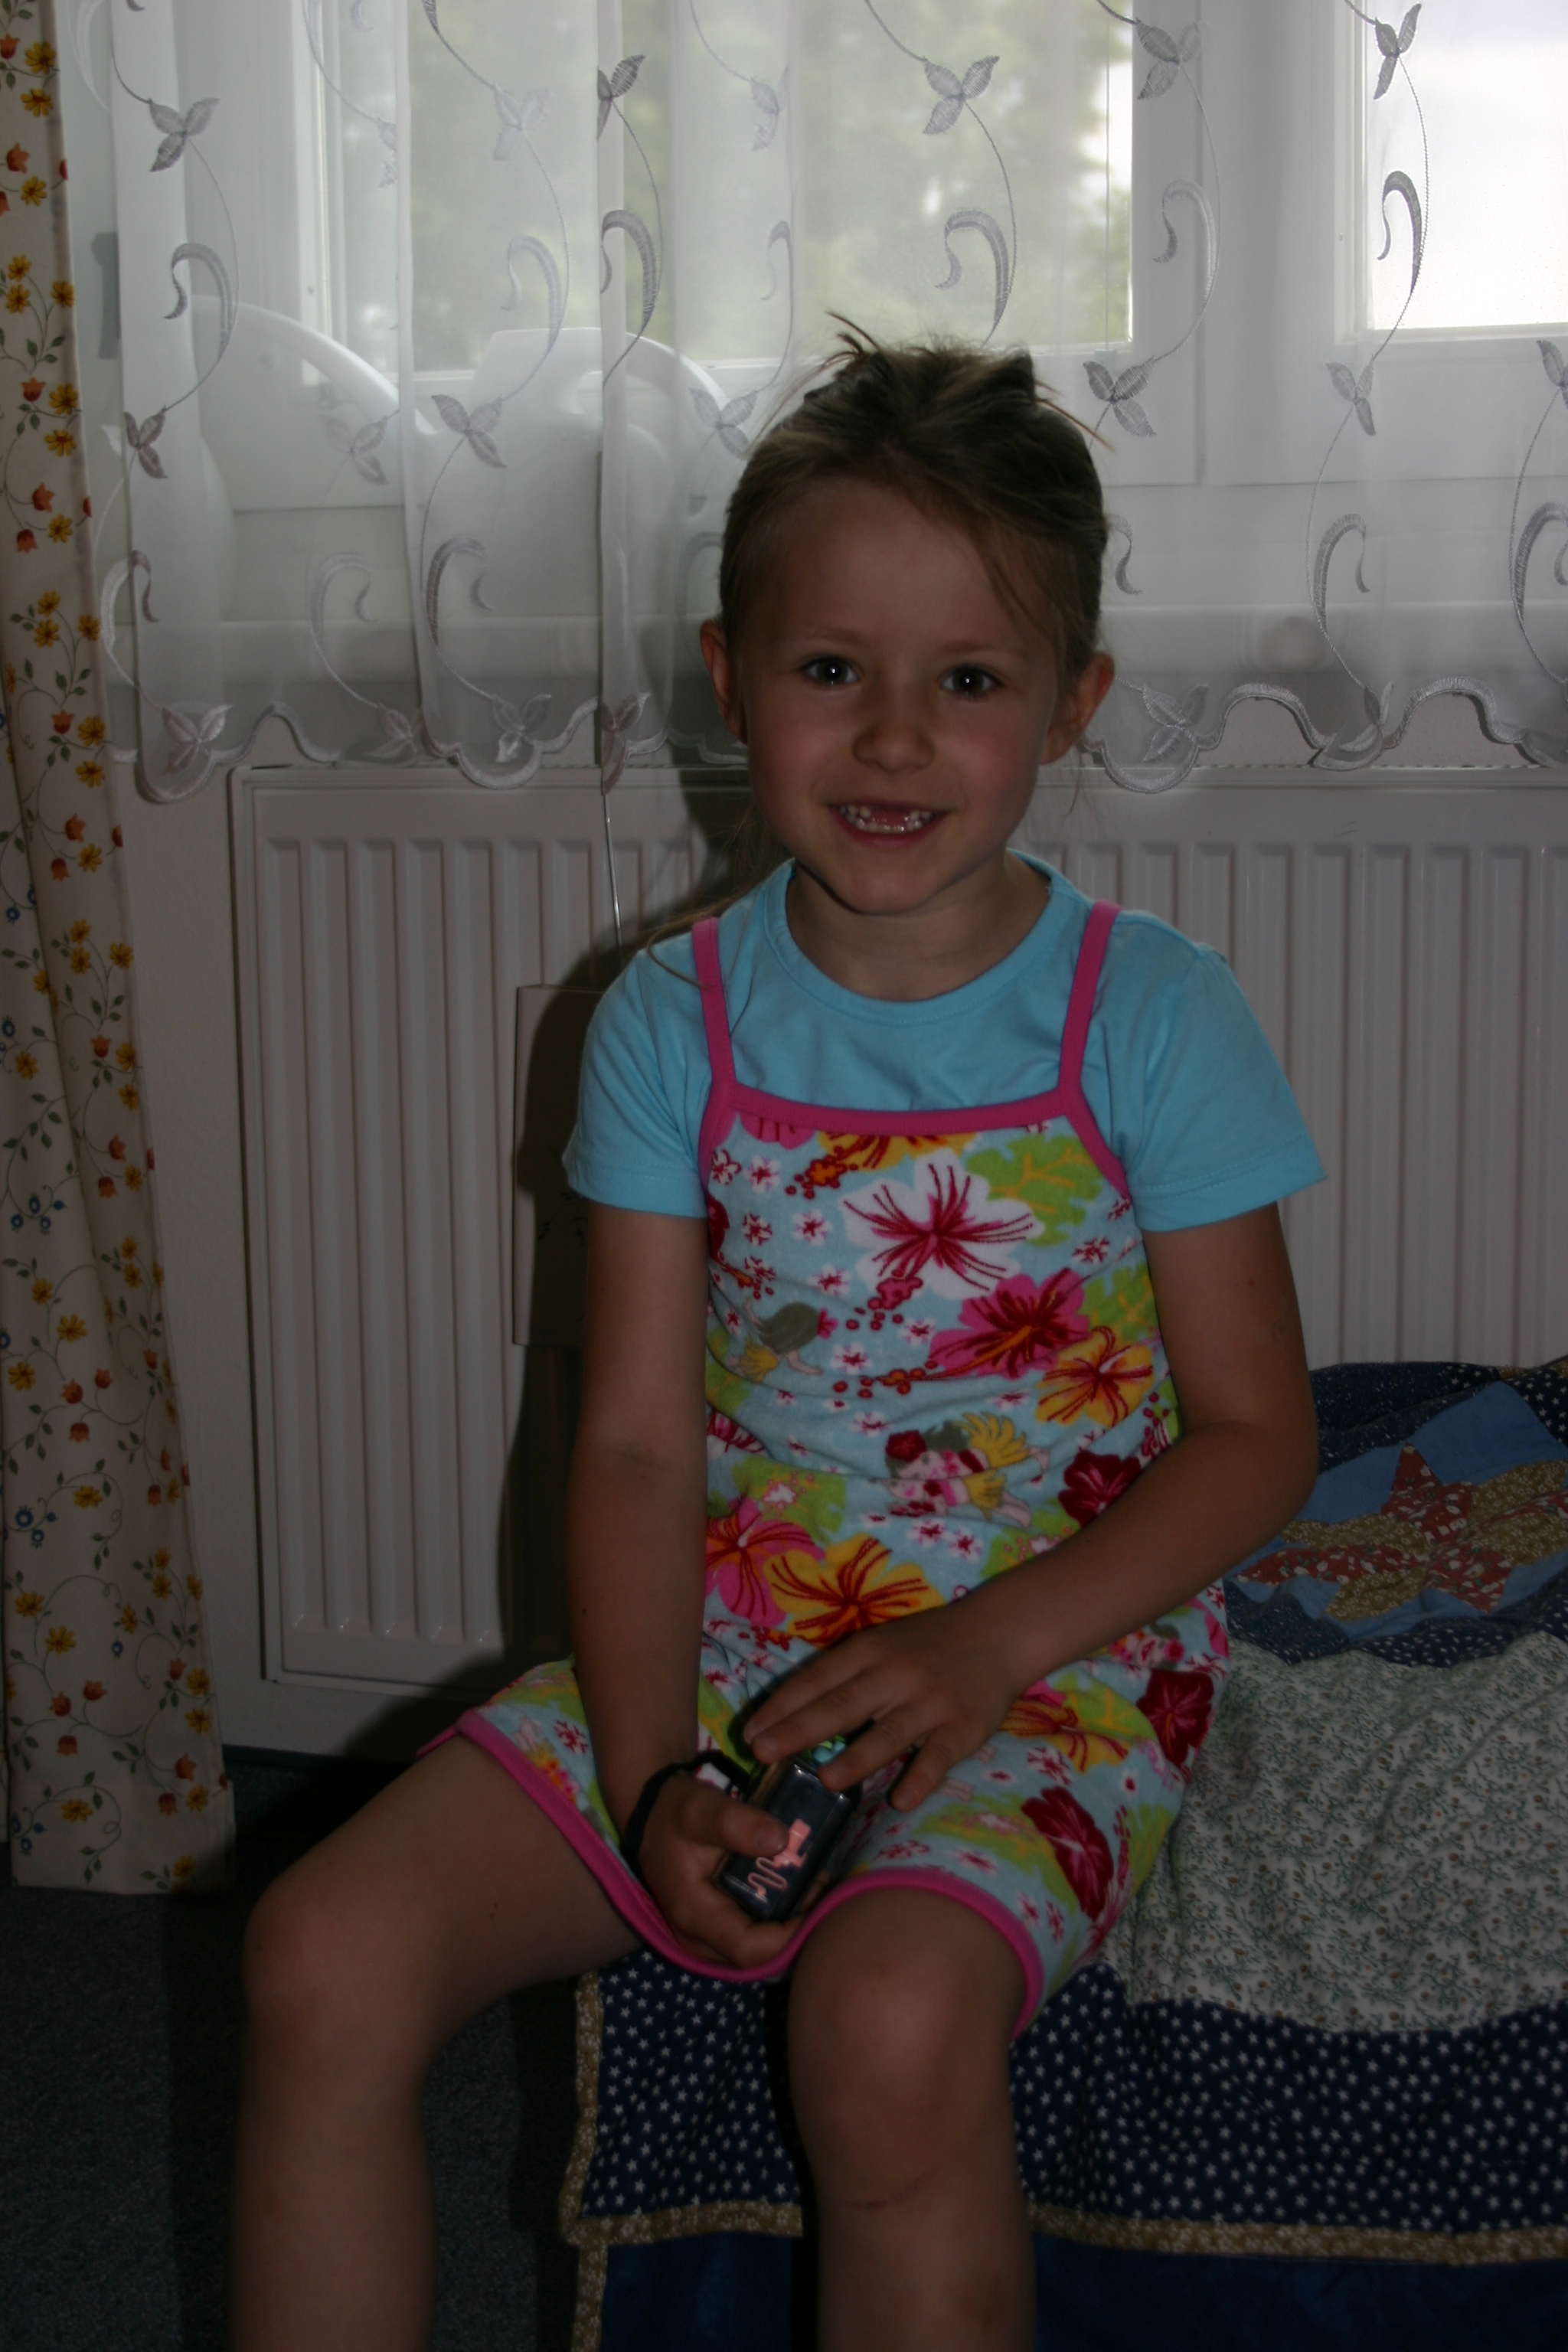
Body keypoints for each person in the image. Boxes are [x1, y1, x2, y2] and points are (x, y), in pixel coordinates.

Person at [231, 337, 1323, 2352]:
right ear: (731, 679)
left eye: (969, 679)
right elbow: (639, 1449)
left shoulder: (1156, 1016)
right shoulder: (666, 1023)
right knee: (319, 1957)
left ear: (1072, 705)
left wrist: (985, 1649)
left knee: (886, 2023)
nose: (895, 736)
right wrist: (655, 1772)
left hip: (1055, 1646)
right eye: (833, 668)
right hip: (741, 1625)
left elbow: (1259, 1439)